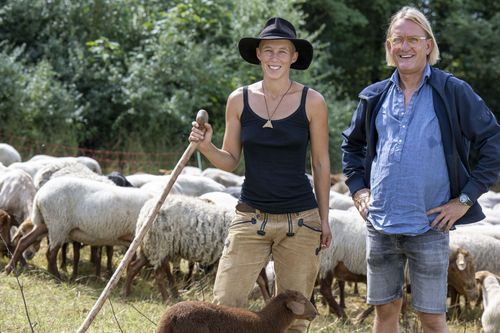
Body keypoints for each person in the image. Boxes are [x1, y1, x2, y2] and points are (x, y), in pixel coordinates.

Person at [341, 6, 500, 333]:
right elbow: (352, 147)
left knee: (431, 317)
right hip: (380, 224)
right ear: (389, 46)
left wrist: (465, 200)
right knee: (385, 313)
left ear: (429, 44)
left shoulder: (452, 92)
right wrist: (358, 190)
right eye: (397, 39)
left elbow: (493, 141)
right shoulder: (374, 97)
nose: (405, 46)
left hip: (430, 224)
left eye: (414, 39)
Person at [189, 17, 332, 333]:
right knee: (224, 308)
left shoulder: (313, 101)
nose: (275, 58)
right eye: (269, 51)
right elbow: (228, 161)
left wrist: (325, 219)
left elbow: (321, 164)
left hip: (301, 221)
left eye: (283, 51)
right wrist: (206, 145)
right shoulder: (239, 99)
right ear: (258, 54)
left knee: (293, 318)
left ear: (294, 56)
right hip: (250, 217)